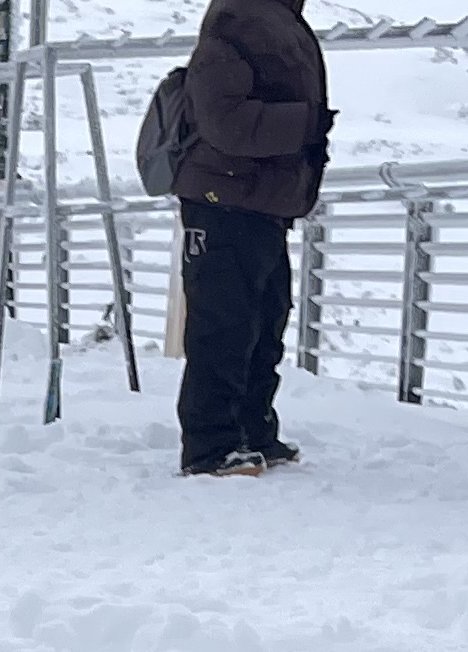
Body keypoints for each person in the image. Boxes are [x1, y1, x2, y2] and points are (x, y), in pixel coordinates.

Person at [172, 0, 335, 474]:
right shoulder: (237, 19)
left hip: (260, 201)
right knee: (223, 325)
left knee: (264, 324)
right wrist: (306, 124)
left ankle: (252, 431)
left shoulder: (271, 18)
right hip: (224, 198)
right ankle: (211, 447)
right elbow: (223, 121)